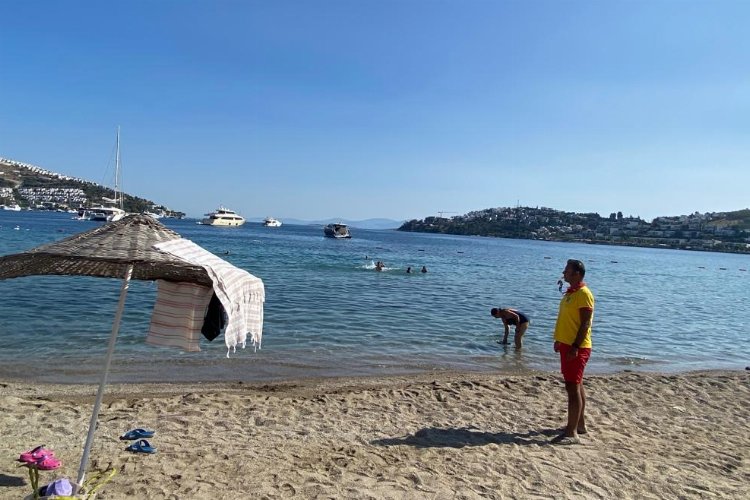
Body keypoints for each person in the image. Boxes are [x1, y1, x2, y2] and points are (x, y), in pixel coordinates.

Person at [552, 259, 595, 445]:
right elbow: (566, 319)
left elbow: (585, 323)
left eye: (567, 270)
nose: (564, 273)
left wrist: (575, 347)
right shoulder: (571, 293)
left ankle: (571, 434)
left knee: (572, 387)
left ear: (577, 274)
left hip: (577, 347)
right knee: (577, 385)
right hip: (566, 344)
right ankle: (580, 424)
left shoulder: (584, 294)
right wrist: (559, 340)